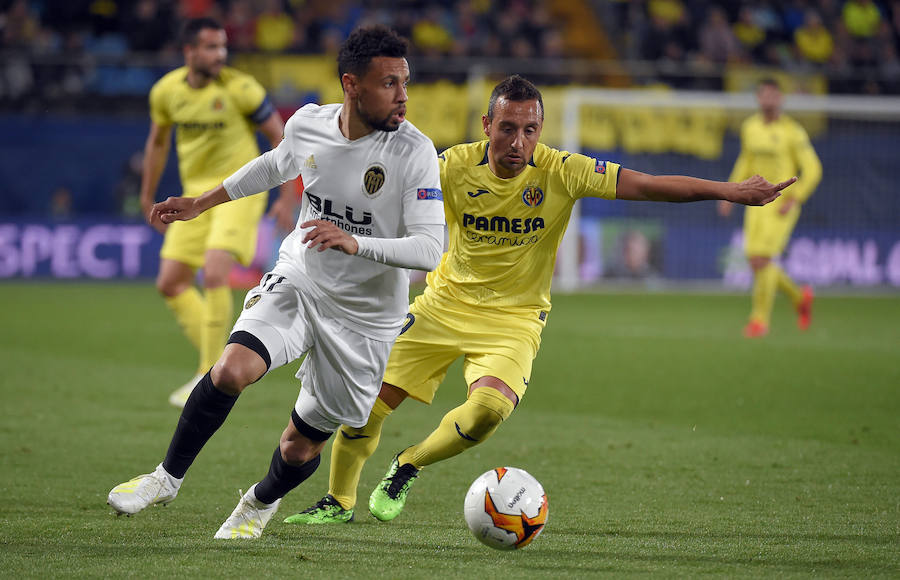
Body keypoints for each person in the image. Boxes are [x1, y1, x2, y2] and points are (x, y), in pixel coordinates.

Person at [284, 75, 795, 525]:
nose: (518, 141)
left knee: (487, 412)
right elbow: (382, 197)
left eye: (530, 130)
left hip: (515, 317)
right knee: (366, 407)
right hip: (443, 304)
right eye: (507, 127)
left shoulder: (562, 170)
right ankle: (338, 500)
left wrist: (729, 192)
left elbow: (651, 185)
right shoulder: (452, 166)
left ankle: (409, 463)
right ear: (486, 124)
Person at [106, 26, 446, 540]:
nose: (403, 96)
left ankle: (259, 502)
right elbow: (275, 165)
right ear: (351, 84)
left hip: (366, 320)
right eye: (390, 83)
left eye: (405, 82)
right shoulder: (309, 124)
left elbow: (428, 248)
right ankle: (165, 478)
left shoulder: (414, 152)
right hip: (302, 278)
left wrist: (357, 242)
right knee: (230, 369)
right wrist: (201, 202)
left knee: (299, 446)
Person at [141, 17, 296, 408]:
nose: (220, 55)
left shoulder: (242, 88)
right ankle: (222, 358)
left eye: (223, 46)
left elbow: (281, 138)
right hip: (194, 197)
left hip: (237, 191)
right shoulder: (166, 92)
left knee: (214, 271)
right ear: (189, 51)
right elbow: (157, 144)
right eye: (211, 47)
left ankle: (206, 372)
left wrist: (286, 196)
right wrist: (147, 196)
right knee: (170, 282)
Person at [718, 78, 821, 338]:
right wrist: (729, 193)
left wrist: (795, 197)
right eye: (764, 95)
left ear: (781, 99)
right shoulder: (750, 127)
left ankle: (759, 321)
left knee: (761, 259)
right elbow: (745, 160)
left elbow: (813, 169)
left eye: (774, 95)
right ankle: (800, 297)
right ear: (758, 98)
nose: (769, 100)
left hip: (782, 204)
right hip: (755, 201)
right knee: (755, 262)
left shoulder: (793, 132)